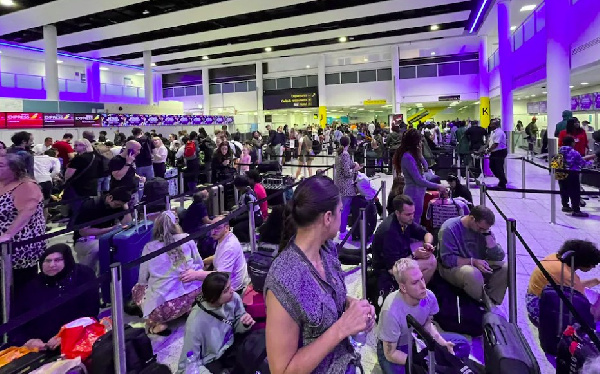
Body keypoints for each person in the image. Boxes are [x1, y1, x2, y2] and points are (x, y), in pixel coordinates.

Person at [265, 176, 375, 374]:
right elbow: (282, 370)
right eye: (340, 211)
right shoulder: (283, 278)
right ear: (327, 218)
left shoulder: (327, 250)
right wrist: (342, 327)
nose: (342, 216)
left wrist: (352, 307)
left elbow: (324, 299)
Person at [377, 258, 470, 374]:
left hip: (418, 338)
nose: (423, 285)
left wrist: (442, 343)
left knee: (462, 345)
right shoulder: (390, 312)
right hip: (398, 347)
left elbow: (427, 324)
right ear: (403, 287)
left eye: (421, 278)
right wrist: (419, 361)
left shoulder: (429, 296)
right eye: (415, 282)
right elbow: (390, 354)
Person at [10, 244, 99, 349]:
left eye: (57, 260)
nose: (52, 265)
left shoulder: (83, 275)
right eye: (47, 261)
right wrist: (27, 341)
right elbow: (15, 322)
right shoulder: (32, 286)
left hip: (78, 337)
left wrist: (66, 335)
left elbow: (91, 312)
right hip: (39, 346)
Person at [132, 211, 204, 335]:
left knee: (137, 289)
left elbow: (142, 280)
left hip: (163, 308)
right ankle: (191, 310)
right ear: (175, 224)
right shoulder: (187, 238)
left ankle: (157, 324)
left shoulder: (149, 247)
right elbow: (200, 264)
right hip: (196, 296)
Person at [178, 272, 255, 373]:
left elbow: (238, 322)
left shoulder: (233, 298)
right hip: (213, 359)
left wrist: (244, 323)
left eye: (230, 286)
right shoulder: (195, 322)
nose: (231, 291)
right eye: (226, 290)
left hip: (232, 344)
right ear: (214, 297)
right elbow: (189, 361)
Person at [438, 205, 507, 305]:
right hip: (452, 268)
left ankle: (491, 302)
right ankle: (480, 304)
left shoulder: (485, 231)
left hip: (477, 263)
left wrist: (491, 244)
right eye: (480, 228)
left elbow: (499, 257)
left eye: (485, 229)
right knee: (473, 273)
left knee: (504, 268)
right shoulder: (449, 228)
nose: (482, 231)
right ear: (472, 219)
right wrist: (473, 262)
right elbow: (447, 260)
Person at [372, 194, 437, 298]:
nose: (412, 217)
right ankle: (413, 295)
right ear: (398, 213)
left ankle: (415, 291)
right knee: (431, 262)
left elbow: (426, 233)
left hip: (400, 260)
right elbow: (393, 266)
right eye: (408, 214)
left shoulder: (405, 221)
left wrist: (428, 244)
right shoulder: (390, 231)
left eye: (413, 213)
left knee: (431, 259)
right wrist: (415, 255)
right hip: (387, 269)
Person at [526, 240, 600, 327]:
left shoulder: (554, 258)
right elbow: (586, 306)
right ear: (584, 261)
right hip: (541, 312)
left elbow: (573, 285)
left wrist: (596, 281)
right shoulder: (567, 275)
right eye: (593, 264)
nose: (594, 267)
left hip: (533, 301)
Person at [0, 154, 46, 290]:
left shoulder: (26, 186)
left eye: (1, 166)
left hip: (20, 245)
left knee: (20, 283)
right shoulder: (3, 182)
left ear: (15, 169)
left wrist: (8, 234)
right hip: (4, 246)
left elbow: (27, 212)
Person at [72, 187, 133, 274]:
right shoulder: (91, 205)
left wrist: (126, 209)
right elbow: (83, 232)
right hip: (83, 240)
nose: (118, 206)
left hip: (104, 236)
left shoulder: (118, 206)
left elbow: (127, 224)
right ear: (110, 197)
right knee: (98, 248)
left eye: (120, 205)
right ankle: (84, 275)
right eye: (117, 204)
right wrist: (110, 229)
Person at [181, 216, 250, 293]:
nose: (213, 232)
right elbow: (220, 256)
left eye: (217, 228)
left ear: (226, 228)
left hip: (233, 290)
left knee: (197, 296)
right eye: (212, 228)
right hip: (227, 283)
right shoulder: (225, 237)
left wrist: (195, 275)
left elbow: (221, 275)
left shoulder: (229, 246)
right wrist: (204, 262)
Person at [393, 129, 445, 223]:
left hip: (419, 192)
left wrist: (420, 156)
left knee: (417, 219)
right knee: (413, 220)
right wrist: (438, 186)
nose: (421, 143)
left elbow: (426, 168)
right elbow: (418, 180)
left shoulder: (414, 156)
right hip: (413, 193)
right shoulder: (407, 157)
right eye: (419, 141)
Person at [557, 135, 596, 217]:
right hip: (572, 174)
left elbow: (555, 164)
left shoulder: (559, 152)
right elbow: (582, 163)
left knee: (563, 190)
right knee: (574, 192)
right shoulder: (574, 152)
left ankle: (565, 206)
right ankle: (576, 210)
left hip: (560, 173)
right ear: (572, 143)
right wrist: (591, 162)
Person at [335, 136, 360, 241]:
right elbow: (346, 173)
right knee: (345, 209)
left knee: (342, 208)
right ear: (349, 143)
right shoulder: (345, 154)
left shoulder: (339, 154)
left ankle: (342, 229)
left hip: (340, 184)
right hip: (346, 186)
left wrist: (354, 164)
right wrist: (356, 170)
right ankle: (342, 231)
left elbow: (346, 166)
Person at [65, 139, 101, 209]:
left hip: (78, 186)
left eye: (76, 145)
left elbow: (69, 174)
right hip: (92, 185)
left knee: (77, 207)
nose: (74, 147)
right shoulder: (96, 156)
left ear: (84, 146)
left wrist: (66, 182)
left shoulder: (79, 158)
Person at [229, 176, 263, 243]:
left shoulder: (248, 196)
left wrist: (236, 218)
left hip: (255, 217)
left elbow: (250, 212)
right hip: (250, 215)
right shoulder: (247, 191)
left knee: (237, 229)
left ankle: (247, 243)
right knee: (231, 221)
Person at [110, 140, 144, 205]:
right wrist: (128, 163)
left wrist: (139, 177)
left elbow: (131, 171)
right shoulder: (116, 160)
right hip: (121, 194)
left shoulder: (132, 159)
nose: (139, 152)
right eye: (137, 150)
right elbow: (118, 177)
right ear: (130, 150)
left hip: (132, 191)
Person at [486, 119, 508, 189]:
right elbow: (490, 142)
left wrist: (488, 150)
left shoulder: (499, 132)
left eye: (491, 124)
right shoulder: (493, 132)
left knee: (499, 168)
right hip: (494, 152)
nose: (490, 125)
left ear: (495, 125)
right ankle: (502, 180)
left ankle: (503, 183)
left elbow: (496, 144)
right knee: (492, 166)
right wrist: (485, 148)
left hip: (500, 152)